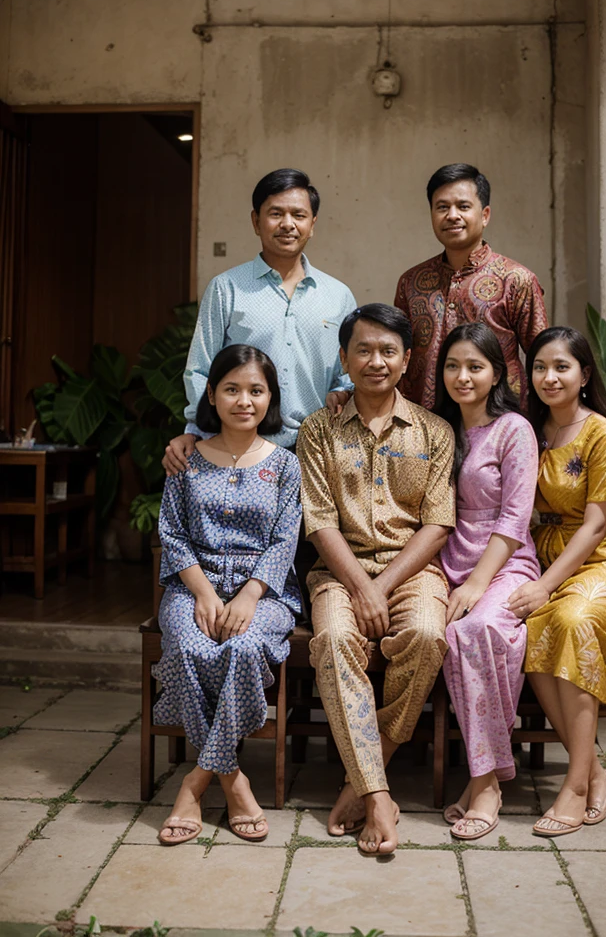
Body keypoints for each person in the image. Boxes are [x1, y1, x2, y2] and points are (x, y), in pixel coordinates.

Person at [296, 303, 456, 856]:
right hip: (338, 573)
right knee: (336, 640)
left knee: (429, 636)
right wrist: (361, 587)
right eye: (362, 350)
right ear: (344, 358)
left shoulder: (435, 432)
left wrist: (381, 585)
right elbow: (318, 521)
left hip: (412, 573)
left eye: (388, 351)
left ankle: (359, 779)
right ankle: (379, 793)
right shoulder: (317, 430)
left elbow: (437, 524)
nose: (375, 361)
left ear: (408, 360)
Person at [154, 344, 301, 846]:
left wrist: (250, 596)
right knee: (191, 649)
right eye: (232, 389)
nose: (244, 400)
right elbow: (171, 533)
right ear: (212, 396)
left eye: (256, 390)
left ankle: (196, 782)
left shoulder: (285, 465)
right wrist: (200, 592)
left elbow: (286, 539)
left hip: (265, 593)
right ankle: (234, 780)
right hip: (191, 586)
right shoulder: (187, 459)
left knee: (241, 648)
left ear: (270, 398)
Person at [507, 326, 606, 838]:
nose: (550, 377)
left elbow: (595, 524)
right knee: (532, 630)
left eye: (562, 366)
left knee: (568, 617)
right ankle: (594, 772)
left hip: (604, 558)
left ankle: (575, 784)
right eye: (540, 367)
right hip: (546, 555)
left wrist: (545, 585)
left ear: (584, 374)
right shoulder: (528, 427)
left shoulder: (600, 432)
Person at [163, 167, 356, 472]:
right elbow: (201, 369)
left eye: (298, 215)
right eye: (275, 213)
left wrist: (343, 391)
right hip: (241, 449)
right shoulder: (226, 288)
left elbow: (348, 374)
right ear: (256, 221)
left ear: (313, 224)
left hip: (318, 451)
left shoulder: (338, 296)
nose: (288, 224)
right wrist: (195, 431)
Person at [433, 322, 540, 841]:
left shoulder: (514, 429)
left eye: (475, 366)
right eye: (452, 365)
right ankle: (492, 772)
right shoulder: (437, 429)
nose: (462, 376)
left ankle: (484, 782)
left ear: (497, 372)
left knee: (475, 631)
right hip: (444, 560)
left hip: (503, 563)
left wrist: (477, 584)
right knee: (443, 633)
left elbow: (515, 519)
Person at [394, 163, 548, 410]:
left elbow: (543, 360)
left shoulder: (516, 280)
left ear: (485, 214)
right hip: (425, 428)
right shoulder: (411, 283)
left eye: (463, 206)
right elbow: (399, 356)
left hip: (499, 426)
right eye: (442, 207)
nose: (452, 215)